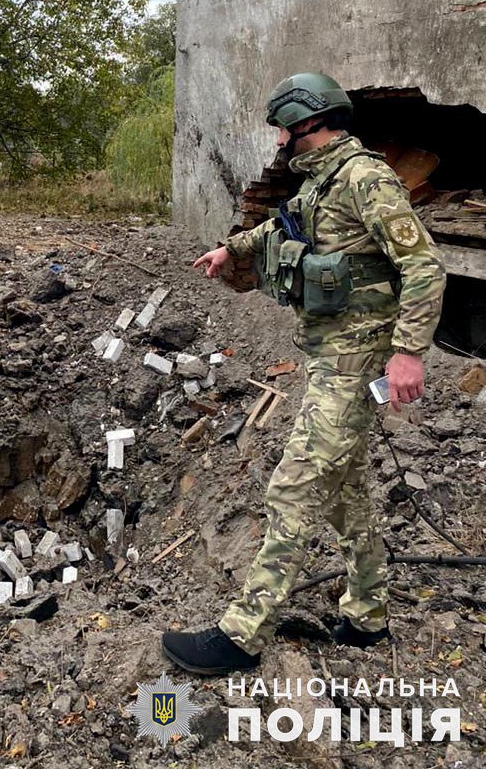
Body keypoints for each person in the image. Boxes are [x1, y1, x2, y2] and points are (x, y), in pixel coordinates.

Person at [160, 73, 447, 676]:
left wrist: (408, 352)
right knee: (347, 493)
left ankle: (242, 635)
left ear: (307, 122)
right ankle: (368, 614)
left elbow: (424, 267)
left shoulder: (365, 179)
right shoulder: (323, 181)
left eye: (283, 128)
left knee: (294, 487)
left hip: (355, 361)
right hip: (330, 355)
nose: (279, 140)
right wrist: (232, 249)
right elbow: (285, 226)